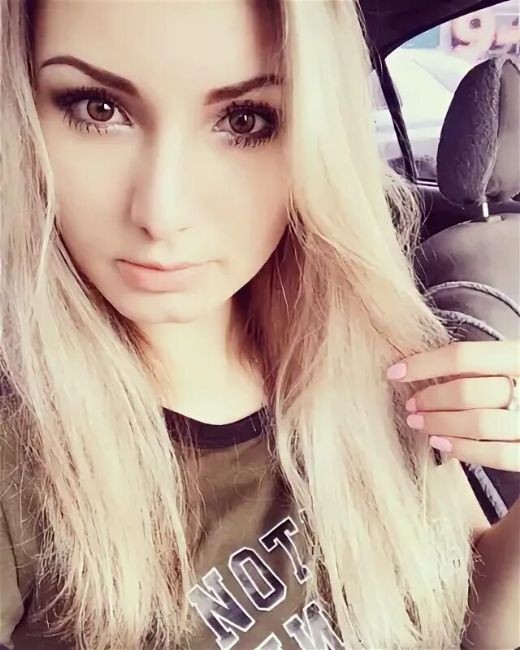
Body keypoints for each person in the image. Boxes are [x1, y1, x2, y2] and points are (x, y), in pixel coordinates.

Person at [1, 1, 519, 649]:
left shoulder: (373, 346)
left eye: (244, 120)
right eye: (98, 108)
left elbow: (469, 617)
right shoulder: (19, 457)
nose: (162, 211)